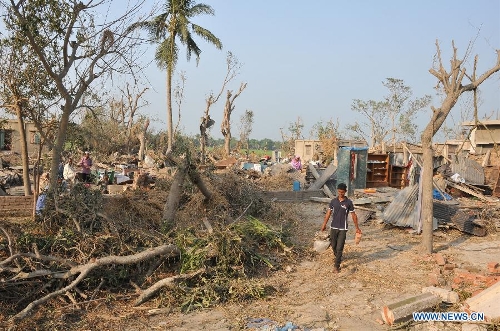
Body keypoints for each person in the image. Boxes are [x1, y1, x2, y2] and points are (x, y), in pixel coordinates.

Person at [320, 182, 361, 273]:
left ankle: (336, 266)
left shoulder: (349, 203)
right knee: (333, 244)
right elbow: (328, 213)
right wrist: (324, 224)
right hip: (333, 226)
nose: (340, 194)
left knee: (340, 247)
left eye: (342, 192)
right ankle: (338, 256)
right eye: (339, 192)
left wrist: (357, 228)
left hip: (343, 228)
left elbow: (354, 215)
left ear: (345, 192)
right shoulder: (333, 201)